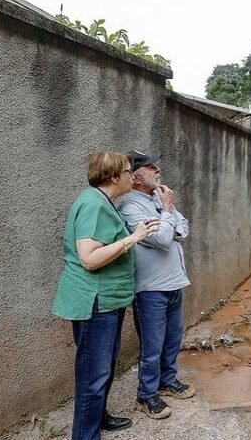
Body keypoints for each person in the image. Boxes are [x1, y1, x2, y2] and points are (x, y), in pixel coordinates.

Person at [52, 151, 159, 439]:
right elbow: (89, 258)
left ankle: (98, 418)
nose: (132, 175)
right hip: (94, 302)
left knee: (104, 367)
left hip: (108, 301)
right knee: (93, 375)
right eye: (127, 171)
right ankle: (85, 435)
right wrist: (132, 238)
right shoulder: (93, 206)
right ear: (113, 177)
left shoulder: (104, 202)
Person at [118, 150, 195, 420]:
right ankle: (146, 395)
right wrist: (167, 213)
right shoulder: (131, 206)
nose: (157, 170)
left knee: (173, 338)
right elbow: (163, 239)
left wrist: (167, 216)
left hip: (174, 282)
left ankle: (167, 380)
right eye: (150, 167)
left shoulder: (158, 199)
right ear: (136, 177)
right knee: (152, 345)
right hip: (150, 288)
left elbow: (183, 228)